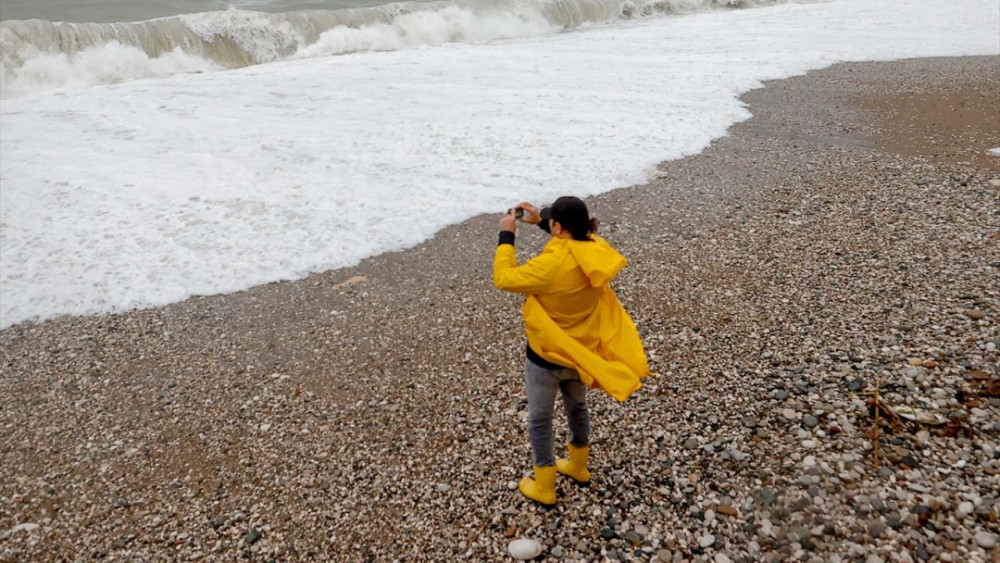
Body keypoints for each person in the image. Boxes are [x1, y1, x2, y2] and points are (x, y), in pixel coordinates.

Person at [493, 196, 649, 506]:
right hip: (581, 352)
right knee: (577, 407)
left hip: (546, 356)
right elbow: (573, 239)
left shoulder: (550, 267)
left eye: (552, 224)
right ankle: (578, 468)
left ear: (559, 228)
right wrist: (540, 219)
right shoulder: (596, 250)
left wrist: (507, 234)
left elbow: (504, 278)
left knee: (540, 419)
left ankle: (545, 485)